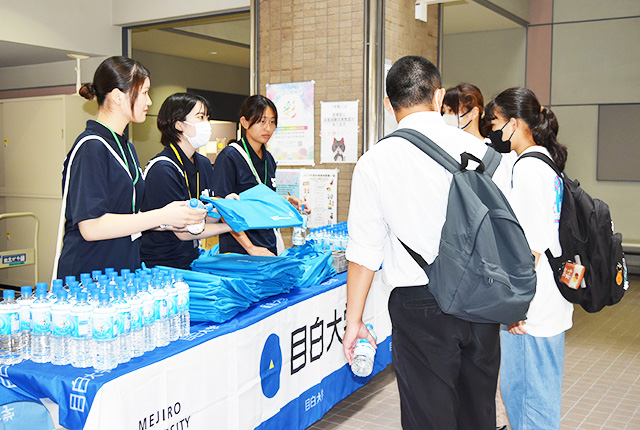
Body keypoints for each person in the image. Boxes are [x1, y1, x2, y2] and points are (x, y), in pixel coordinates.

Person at [342, 56, 511, 429]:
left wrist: (354, 320)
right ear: (438, 97)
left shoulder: (375, 162)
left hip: (420, 305)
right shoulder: (483, 153)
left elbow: (364, 252)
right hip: (481, 299)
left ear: (389, 105)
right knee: (478, 410)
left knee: (428, 417)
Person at [54, 57, 206, 279]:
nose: (149, 102)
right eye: (144, 93)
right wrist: (161, 215)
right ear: (117, 96)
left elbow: (129, 217)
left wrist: (172, 219)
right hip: (90, 276)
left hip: (123, 272)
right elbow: (91, 227)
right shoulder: (91, 148)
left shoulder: (126, 148)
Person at [485, 87, 573, 430]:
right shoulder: (544, 162)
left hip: (531, 313)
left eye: (496, 121)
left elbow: (530, 248)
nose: (493, 129)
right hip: (547, 304)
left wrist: (515, 306)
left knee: (528, 404)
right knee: (536, 400)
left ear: (516, 123)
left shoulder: (529, 169)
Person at [140, 93, 234, 269]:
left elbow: (204, 220)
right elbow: (183, 231)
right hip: (160, 266)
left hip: (190, 259)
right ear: (179, 125)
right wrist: (232, 226)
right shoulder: (162, 169)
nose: (206, 124)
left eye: (207, 117)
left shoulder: (204, 164)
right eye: (200, 117)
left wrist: (225, 208)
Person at [211, 94, 308, 256]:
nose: (268, 128)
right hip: (239, 250)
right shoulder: (230, 156)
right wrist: (250, 248)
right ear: (245, 122)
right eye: (262, 121)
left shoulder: (268, 158)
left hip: (267, 244)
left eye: (272, 122)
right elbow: (222, 207)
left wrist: (286, 201)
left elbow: (260, 199)